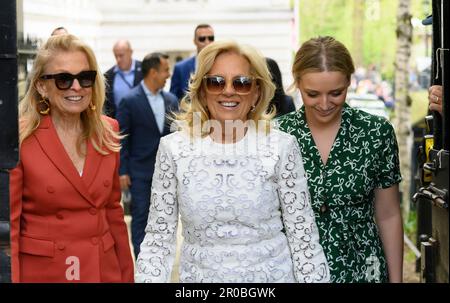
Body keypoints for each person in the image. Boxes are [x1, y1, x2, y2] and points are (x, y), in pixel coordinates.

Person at [135, 40, 330, 283]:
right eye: (216, 82)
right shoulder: (173, 149)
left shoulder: (281, 147)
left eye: (242, 82)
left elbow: (304, 239)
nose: (229, 90)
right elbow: (158, 239)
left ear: (257, 92)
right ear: (203, 91)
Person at [276, 36, 404, 283]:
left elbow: (388, 213)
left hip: (363, 268)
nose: (324, 104)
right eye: (312, 94)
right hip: (293, 269)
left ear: (349, 81)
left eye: (336, 93)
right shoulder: (276, 135)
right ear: (297, 82)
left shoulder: (375, 132)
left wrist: (396, 280)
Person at [9, 34, 134, 282]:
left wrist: (127, 275)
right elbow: (10, 227)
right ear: (42, 86)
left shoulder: (107, 131)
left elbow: (113, 214)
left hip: (102, 270)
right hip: (45, 273)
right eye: (64, 79)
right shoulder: (21, 138)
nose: (76, 87)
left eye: (85, 78)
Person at [116, 52, 178, 258]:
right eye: (165, 70)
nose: (168, 75)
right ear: (153, 72)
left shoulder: (171, 99)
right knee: (141, 217)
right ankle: (143, 263)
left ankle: (160, 259)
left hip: (167, 173)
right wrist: (122, 171)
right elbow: (122, 139)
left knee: (165, 217)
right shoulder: (129, 101)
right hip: (139, 172)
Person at [169, 24, 215, 101]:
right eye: (202, 39)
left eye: (211, 38)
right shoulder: (180, 68)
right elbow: (173, 99)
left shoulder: (221, 64)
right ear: (194, 41)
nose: (207, 42)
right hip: (191, 111)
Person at [104, 40, 143, 118]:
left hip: (142, 120)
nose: (118, 59)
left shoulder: (144, 70)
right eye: (116, 56)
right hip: (119, 122)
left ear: (130, 52)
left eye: (121, 55)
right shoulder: (108, 75)